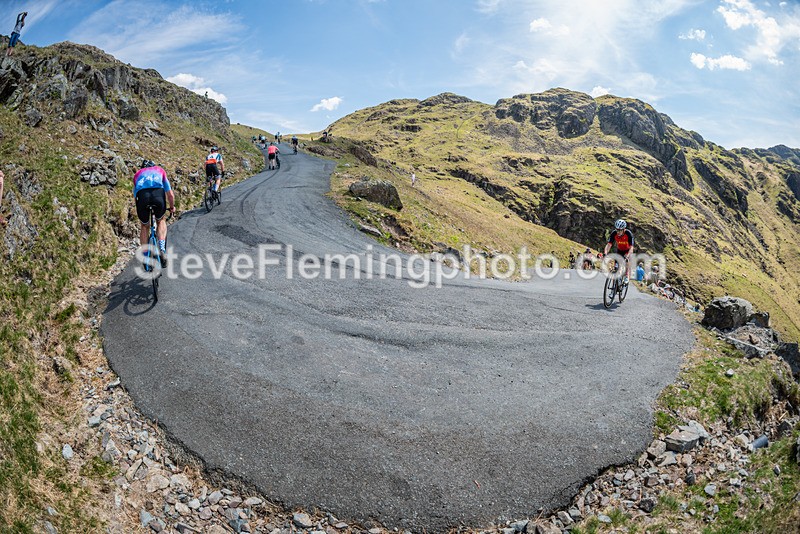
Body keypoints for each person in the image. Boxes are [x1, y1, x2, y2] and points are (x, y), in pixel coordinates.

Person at [133, 160, 174, 267]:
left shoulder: (138, 174)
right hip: (158, 195)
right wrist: (172, 207)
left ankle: (146, 256)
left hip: (142, 197)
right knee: (160, 220)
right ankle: (162, 248)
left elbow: (135, 196)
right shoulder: (160, 170)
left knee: (144, 226)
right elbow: (170, 194)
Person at [603, 219, 634, 284]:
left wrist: (627, 256)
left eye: (620, 230)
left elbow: (631, 247)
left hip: (628, 251)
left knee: (627, 261)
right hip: (620, 250)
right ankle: (614, 288)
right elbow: (609, 245)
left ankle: (626, 276)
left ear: (624, 229)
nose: (618, 232)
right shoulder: (614, 233)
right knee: (616, 267)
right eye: (617, 229)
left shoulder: (628, 234)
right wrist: (605, 253)